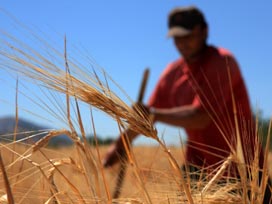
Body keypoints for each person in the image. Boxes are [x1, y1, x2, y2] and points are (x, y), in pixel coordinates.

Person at [103, 6, 271, 203]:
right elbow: (144, 118)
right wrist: (121, 144)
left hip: (243, 168)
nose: (182, 43)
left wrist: (154, 114)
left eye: (187, 36)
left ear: (204, 31)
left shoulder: (222, 62)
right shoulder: (171, 74)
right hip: (198, 166)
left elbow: (200, 117)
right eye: (176, 38)